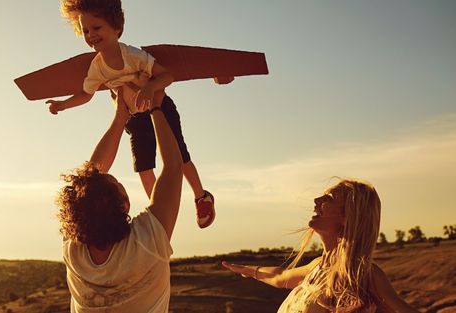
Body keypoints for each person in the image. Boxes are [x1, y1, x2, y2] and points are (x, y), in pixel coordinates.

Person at [46, 0, 215, 228]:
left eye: (97, 28)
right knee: (144, 169)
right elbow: (86, 94)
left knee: (179, 158)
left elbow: (166, 76)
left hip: (160, 107)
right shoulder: (97, 67)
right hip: (135, 119)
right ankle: (159, 214)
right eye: (85, 30)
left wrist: (149, 87)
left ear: (116, 28)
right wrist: (63, 105)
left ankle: (201, 196)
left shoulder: (133, 55)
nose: (90, 35)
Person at [56, 90, 182, 312]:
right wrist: (155, 106)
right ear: (123, 206)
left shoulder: (74, 250)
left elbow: (90, 176)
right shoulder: (147, 240)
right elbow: (173, 166)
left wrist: (120, 117)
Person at [222, 179, 420, 313]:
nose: (316, 201)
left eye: (329, 199)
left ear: (348, 217)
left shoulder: (363, 273)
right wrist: (249, 270)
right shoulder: (316, 267)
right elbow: (280, 277)